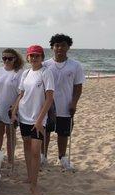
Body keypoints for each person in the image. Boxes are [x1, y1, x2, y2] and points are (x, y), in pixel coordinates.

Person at [11, 45, 55, 195]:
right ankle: (30, 177)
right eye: (31, 55)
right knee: (27, 148)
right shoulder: (26, 73)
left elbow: (49, 98)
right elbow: (21, 94)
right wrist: (14, 111)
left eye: (37, 55)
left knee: (36, 152)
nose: (34, 58)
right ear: (27, 57)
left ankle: (34, 186)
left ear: (42, 57)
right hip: (24, 116)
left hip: (38, 119)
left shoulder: (46, 73)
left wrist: (39, 120)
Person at [43, 34, 85, 169]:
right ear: (52, 47)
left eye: (63, 45)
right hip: (48, 107)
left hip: (66, 106)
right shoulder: (45, 65)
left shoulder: (75, 65)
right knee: (46, 132)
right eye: (57, 45)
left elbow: (78, 87)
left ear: (68, 47)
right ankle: (43, 156)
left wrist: (74, 103)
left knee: (63, 133)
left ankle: (62, 158)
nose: (60, 48)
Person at [0, 48, 24, 163]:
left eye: (10, 58)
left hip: (11, 109)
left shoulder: (19, 72)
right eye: (4, 58)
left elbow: (21, 93)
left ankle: (11, 159)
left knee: (10, 135)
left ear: (15, 59)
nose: (7, 60)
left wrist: (15, 108)